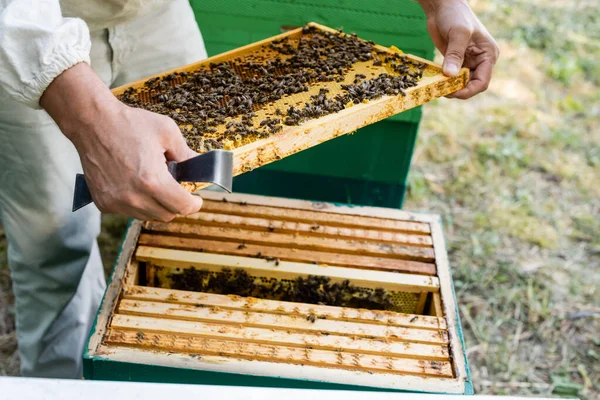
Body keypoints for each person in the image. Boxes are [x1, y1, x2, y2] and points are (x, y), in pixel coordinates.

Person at [0, 0, 499, 379]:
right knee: (52, 239)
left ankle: (181, 360)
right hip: (28, 24)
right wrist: (88, 116)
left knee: (194, 197)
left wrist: (441, 2)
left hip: (154, 12)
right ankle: (58, 380)